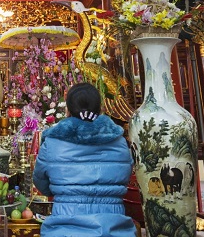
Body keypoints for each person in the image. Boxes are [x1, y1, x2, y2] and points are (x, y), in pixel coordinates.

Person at [33, 82, 137, 237]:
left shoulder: (52, 143)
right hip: (113, 229)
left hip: (64, 228)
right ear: (100, 108)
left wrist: (64, 192)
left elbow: (42, 184)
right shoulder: (119, 142)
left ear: (68, 110)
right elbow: (125, 177)